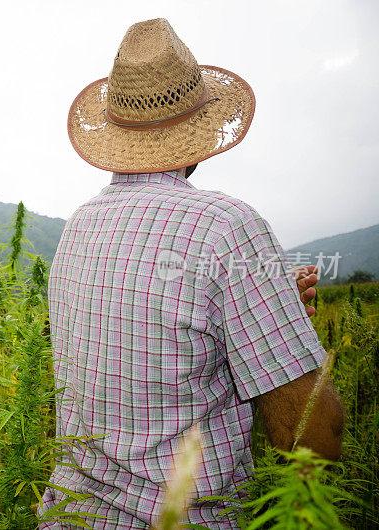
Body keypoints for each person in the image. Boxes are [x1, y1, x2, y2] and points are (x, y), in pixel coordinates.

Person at [40, 18, 344, 529]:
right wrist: (282, 331)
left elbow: (139, 339)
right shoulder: (228, 227)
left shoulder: (77, 227)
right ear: (199, 135)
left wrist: (263, 307)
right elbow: (311, 439)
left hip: (69, 517)